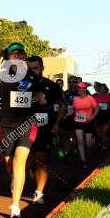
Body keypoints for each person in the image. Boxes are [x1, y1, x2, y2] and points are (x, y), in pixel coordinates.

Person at [0, 42, 45, 218]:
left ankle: (15, 205)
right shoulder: (1, 74)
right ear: (7, 57)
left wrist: (40, 98)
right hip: (5, 124)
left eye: (21, 53)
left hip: (27, 124)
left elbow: (37, 93)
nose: (19, 56)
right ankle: (15, 181)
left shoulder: (31, 75)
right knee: (9, 163)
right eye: (14, 53)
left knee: (19, 162)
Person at [25, 56, 66, 205]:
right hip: (25, 127)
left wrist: (56, 124)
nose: (33, 71)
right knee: (26, 161)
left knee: (41, 160)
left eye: (35, 68)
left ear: (42, 68)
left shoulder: (52, 86)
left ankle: (39, 192)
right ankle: (28, 171)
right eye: (29, 69)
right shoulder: (22, 84)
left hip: (44, 128)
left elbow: (63, 105)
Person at [71, 82, 99, 168]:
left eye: (81, 88)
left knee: (88, 144)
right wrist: (68, 115)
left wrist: (92, 117)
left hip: (88, 122)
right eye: (78, 88)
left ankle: (92, 144)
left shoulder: (90, 98)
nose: (79, 89)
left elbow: (97, 108)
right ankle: (83, 160)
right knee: (80, 140)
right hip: (78, 122)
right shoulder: (75, 99)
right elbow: (73, 110)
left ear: (85, 89)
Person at [93, 84, 110, 152]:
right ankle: (98, 143)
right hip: (98, 116)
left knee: (104, 131)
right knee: (98, 134)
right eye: (101, 88)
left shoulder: (109, 97)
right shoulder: (95, 97)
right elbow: (92, 107)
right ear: (99, 89)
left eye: (104, 88)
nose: (102, 90)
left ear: (106, 89)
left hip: (106, 116)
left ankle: (104, 147)